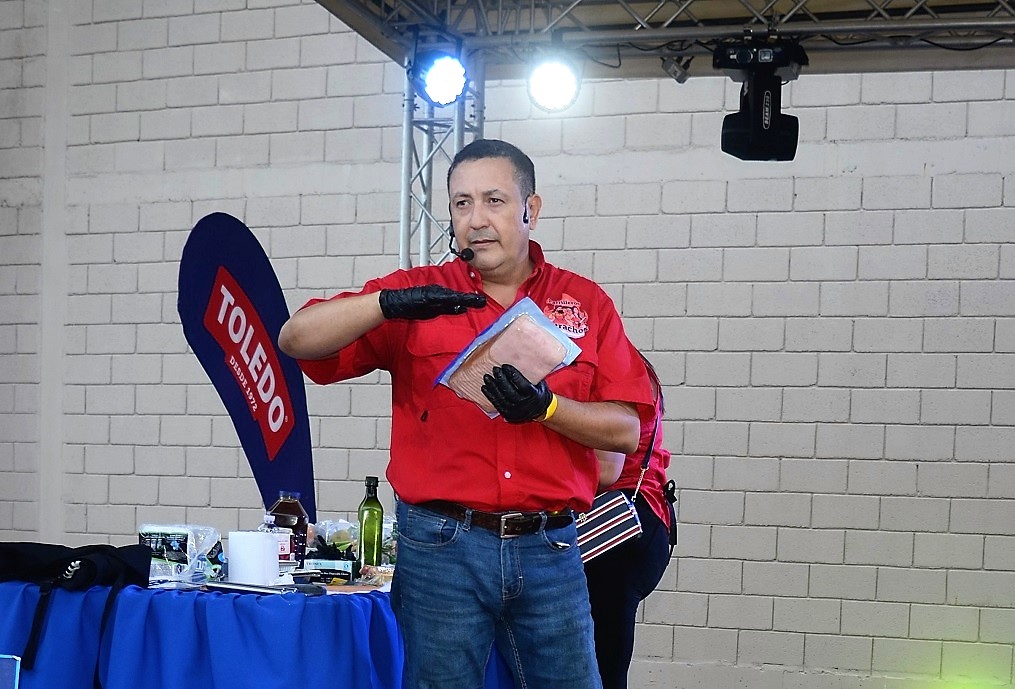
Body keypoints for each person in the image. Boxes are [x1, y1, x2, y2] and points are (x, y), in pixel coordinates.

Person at [278, 138, 655, 689]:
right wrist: (386, 304)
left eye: (494, 200)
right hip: (440, 547)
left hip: (550, 545)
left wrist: (546, 407)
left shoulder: (586, 302)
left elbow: (628, 430)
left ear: (531, 208)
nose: (475, 219)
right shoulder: (418, 294)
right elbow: (295, 339)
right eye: (460, 203)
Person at [586, 353, 674, 689]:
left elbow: (607, 470)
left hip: (616, 530)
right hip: (639, 523)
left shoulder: (612, 368)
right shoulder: (629, 365)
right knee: (605, 663)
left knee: (602, 668)